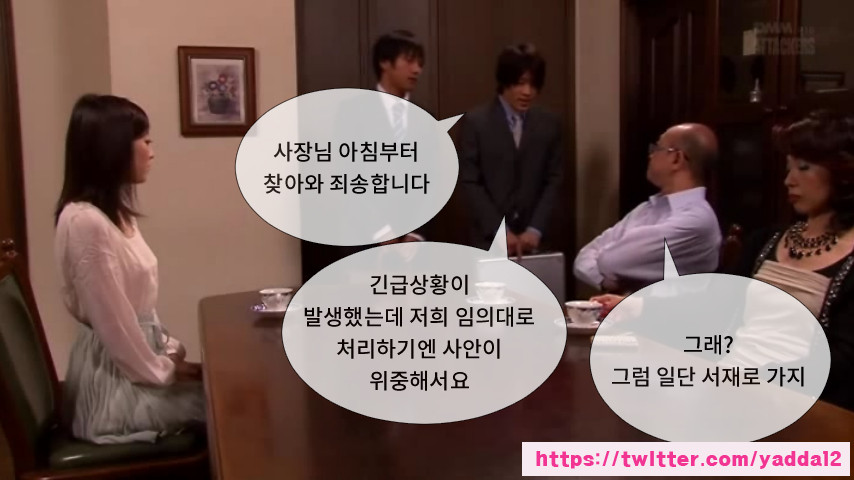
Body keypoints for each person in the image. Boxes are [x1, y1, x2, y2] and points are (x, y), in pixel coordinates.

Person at [593, 110, 854, 412]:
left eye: (803, 168)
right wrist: (637, 306)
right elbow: (715, 305)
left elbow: (843, 362)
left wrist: (758, 382)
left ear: (842, 173)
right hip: (728, 385)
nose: (789, 181)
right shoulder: (766, 241)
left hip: (794, 404)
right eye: (788, 168)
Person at [54, 94, 205, 444]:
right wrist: (166, 370)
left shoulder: (112, 214)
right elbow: (115, 326)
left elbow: (136, 316)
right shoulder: (85, 223)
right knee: (233, 406)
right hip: (113, 391)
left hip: (135, 370)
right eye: (145, 141)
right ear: (113, 148)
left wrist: (169, 354)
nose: (152, 152)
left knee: (231, 390)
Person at [302, 29, 429, 282]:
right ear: (385, 62)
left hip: (412, 248)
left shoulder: (425, 118)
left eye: (420, 63)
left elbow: (432, 181)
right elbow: (350, 177)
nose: (417, 69)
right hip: (363, 242)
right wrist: (382, 232)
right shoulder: (353, 113)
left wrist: (415, 233)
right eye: (409, 61)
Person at [573, 123, 722, 293]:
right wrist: (604, 280)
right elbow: (583, 257)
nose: (651, 155)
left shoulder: (696, 220)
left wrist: (610, 268)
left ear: (676, 159)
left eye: (657, 148)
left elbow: (610, 261)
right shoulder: (648, 208)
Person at [458, 43, 564, 255]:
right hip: (487, 240)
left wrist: (535, 229)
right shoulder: (476, 123)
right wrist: (500, 230)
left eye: (533, 85)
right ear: (505, 81)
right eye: (520, 83)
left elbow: (554, 180)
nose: (527, 92)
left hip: (536, 241)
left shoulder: (549, 124)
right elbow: (470, 182)